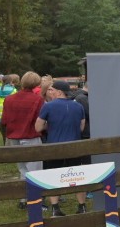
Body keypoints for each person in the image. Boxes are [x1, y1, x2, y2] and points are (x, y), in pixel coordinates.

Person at [35, 80, 87, 216]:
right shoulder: (78, 106)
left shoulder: (48, 107)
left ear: (59, 92)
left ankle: (55, 208)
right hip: (74, 147)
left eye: (52, 89)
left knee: (54, 177)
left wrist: (50, 126)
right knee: (77, 177)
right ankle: (82, 206)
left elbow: (38, 127)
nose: (50, 92)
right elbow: (81, 127)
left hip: (54, 147)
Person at [1, 71, 45, 210]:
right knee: (34, 170)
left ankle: (23, 198)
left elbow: (4, 120)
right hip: (30, 135)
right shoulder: (37, 100)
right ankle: (35, 200)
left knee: (23, 168)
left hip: (14, 136)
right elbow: (40, 120)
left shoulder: (9, 99)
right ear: (36, 83)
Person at [0, 73, 18, 141]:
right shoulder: (14, 90)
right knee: (13, 137)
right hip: (12, 118)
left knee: (4, 137)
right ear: (11, 81)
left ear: (1, 81)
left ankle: (5, 149)